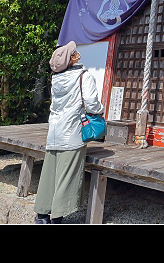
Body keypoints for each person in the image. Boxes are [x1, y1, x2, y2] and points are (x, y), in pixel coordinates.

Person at [34, 40, 104, 224]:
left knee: (49, 174)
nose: (78, 54)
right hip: (72, 131)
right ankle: (58, 216)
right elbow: (90, 102)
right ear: (71, 58)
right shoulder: (83, 76)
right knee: (67, 175)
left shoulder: (56, 78)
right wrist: (100, 110)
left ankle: (42, 215)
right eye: (75, 53)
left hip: (55, 131)